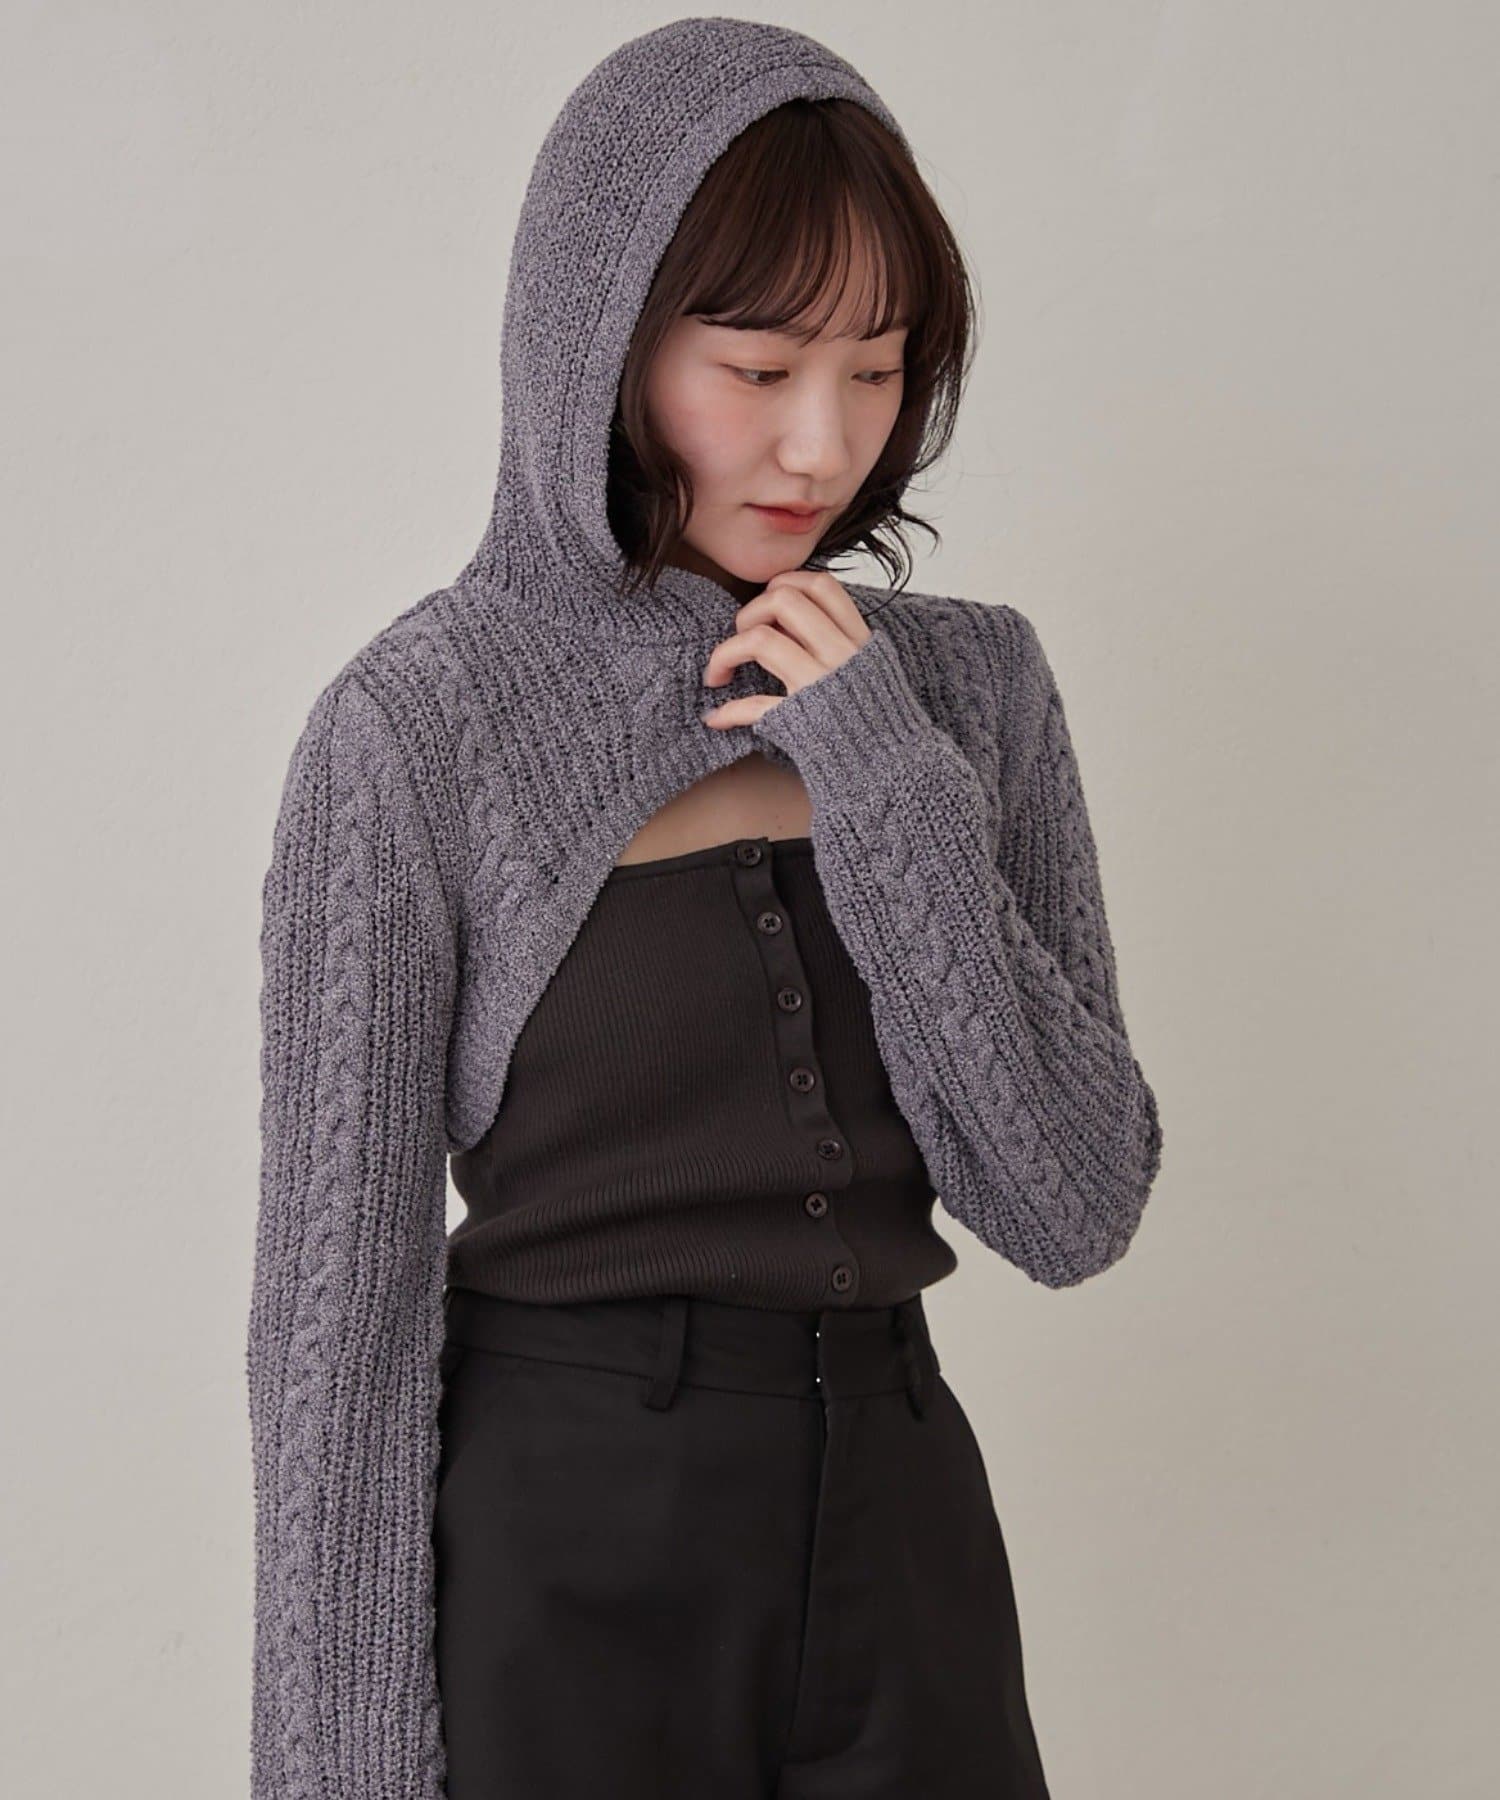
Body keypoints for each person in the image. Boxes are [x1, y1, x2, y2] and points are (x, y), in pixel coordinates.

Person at [248, 17, 1164, 1800]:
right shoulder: (423, 727)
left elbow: (1071, 1204)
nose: (823, 442)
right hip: (567, 1552)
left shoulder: (967, 693)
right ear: (602, 346)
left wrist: (884, 778)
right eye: (759, 367)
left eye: (877, 371)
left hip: (906, 1541)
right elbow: (333, 1330)